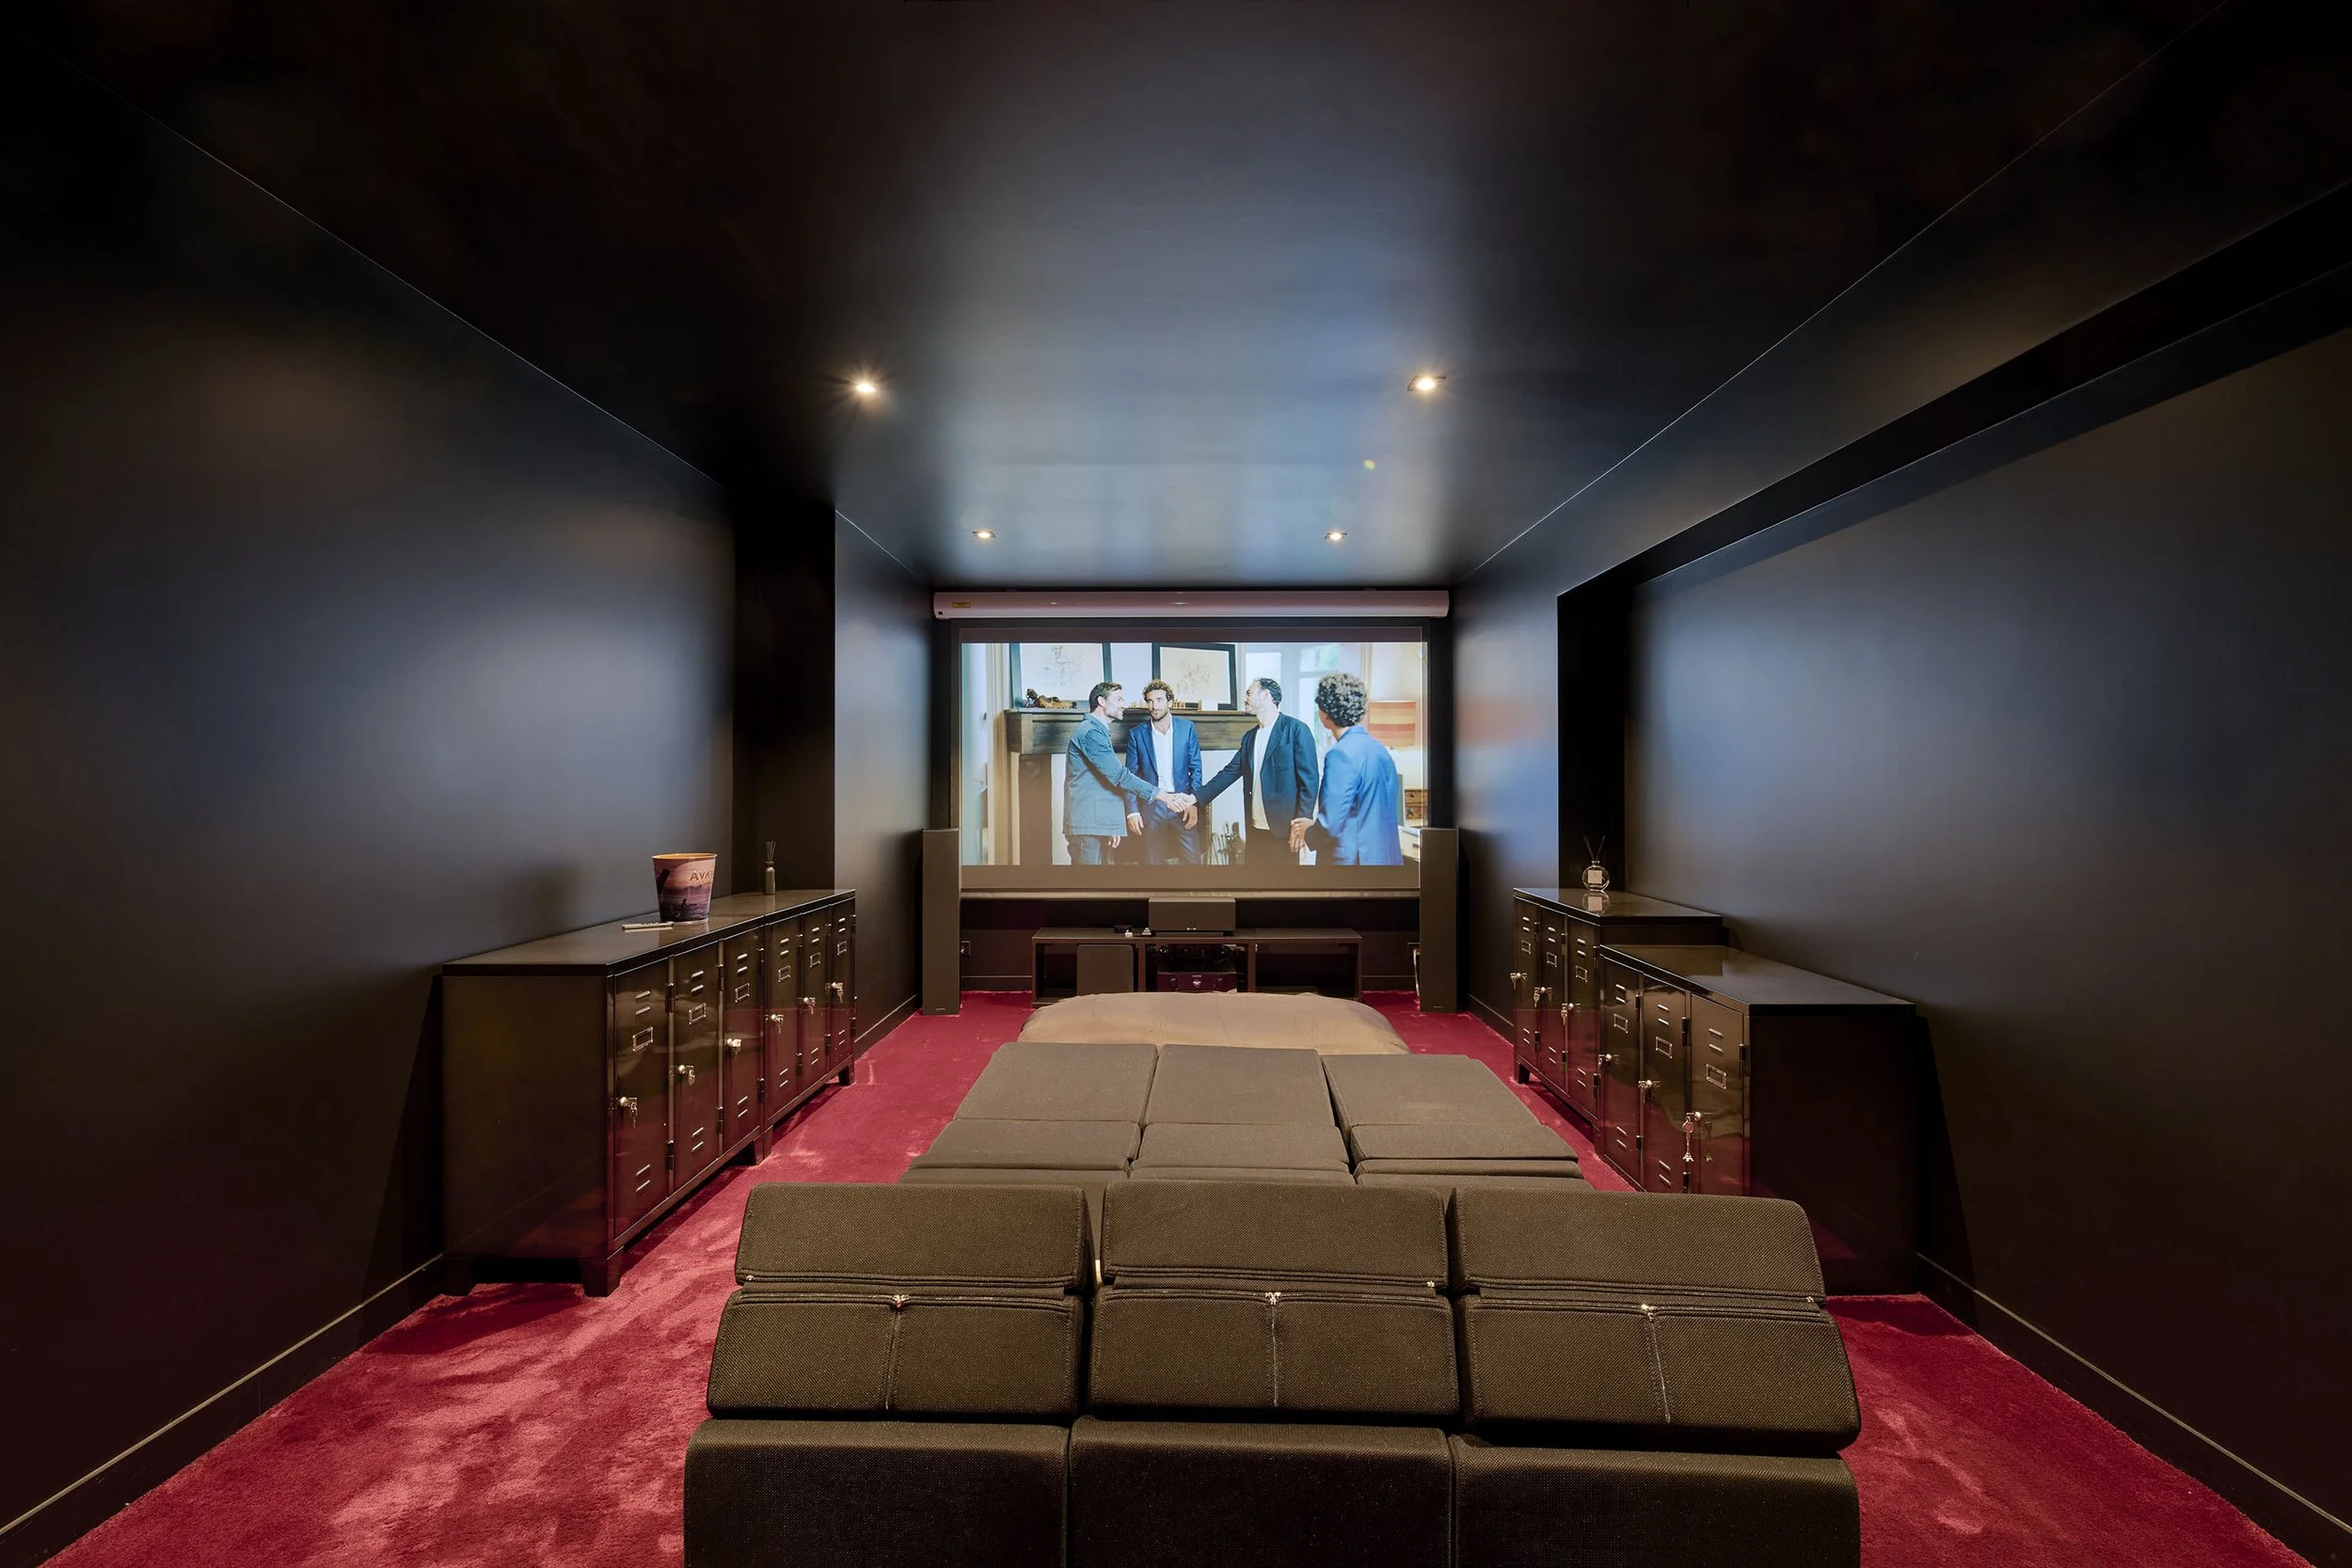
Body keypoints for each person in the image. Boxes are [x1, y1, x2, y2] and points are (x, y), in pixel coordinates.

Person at [1195, 676, 1321, 866]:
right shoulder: (1249, 737)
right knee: (1254, 886)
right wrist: (1196, 798)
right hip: (1254, 830)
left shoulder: (1296, 730)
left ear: (1265, 695)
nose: (1245, 698)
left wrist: (1300, 827)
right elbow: (1229, 773)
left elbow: (1309, 782)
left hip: (1284, 830)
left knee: (1283, 890)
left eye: (1249, 693)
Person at [1063, 681, 1186, 865]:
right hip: (1087, 826)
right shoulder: (1091, 733)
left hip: (1096, 824)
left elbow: (1101, 783)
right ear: (1101, 701)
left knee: (1094, 888)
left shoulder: (1098, 731)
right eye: (1119, 699)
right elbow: (1121, 776)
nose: (1124, 705)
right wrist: (1164, 797)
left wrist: (1112, 825)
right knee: (1086, 888)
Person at [1291, 671, 1404, 866]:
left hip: (1352, 865)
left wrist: (1306, 831)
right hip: (1386, 860)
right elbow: (1362, 813)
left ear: (1325, 712)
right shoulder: (1379, 749)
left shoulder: (1340, 755)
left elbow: (1330, 825)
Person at [1124, 679, 1204, 863]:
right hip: (1153, 803)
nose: (1154, 706)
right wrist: (1132, 811)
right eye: (1150, 701)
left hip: (1182, 801)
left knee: (1193, 862)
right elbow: (1130, 777)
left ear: (1170, 702)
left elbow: (1196, 768)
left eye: (1159, 700)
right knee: (1153, 863)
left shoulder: (1187, 728)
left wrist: (1194, 803)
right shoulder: (1137, 734)